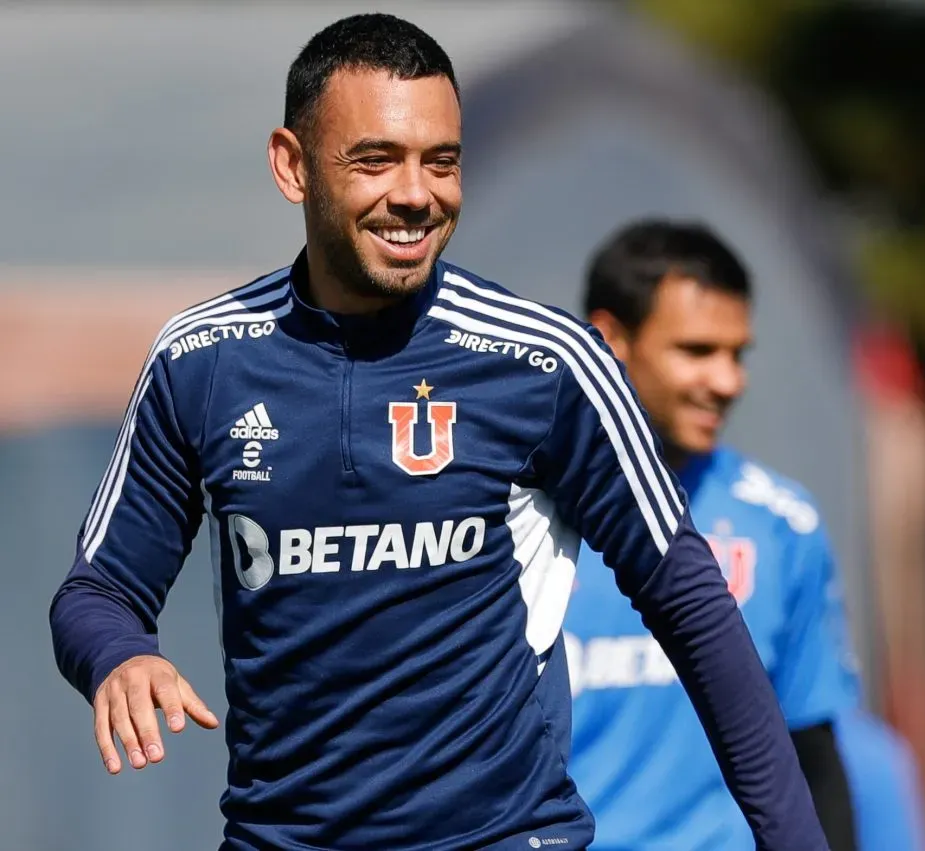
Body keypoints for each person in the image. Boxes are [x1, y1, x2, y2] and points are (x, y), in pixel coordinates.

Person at [48, 15, 828, 851]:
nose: (416, 193)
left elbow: (694, 607)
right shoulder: (202, 361)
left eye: (441, 161)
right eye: (376, 159)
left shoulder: (542, 359)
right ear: (292, 164)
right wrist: (119, 656)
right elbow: (97, 593)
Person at [564, 219, 925, 850]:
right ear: (609, 339)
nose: (729, 382)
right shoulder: (515, 520)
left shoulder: (784, 524)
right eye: (697, 351)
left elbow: (813, 756)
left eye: (738, 354)